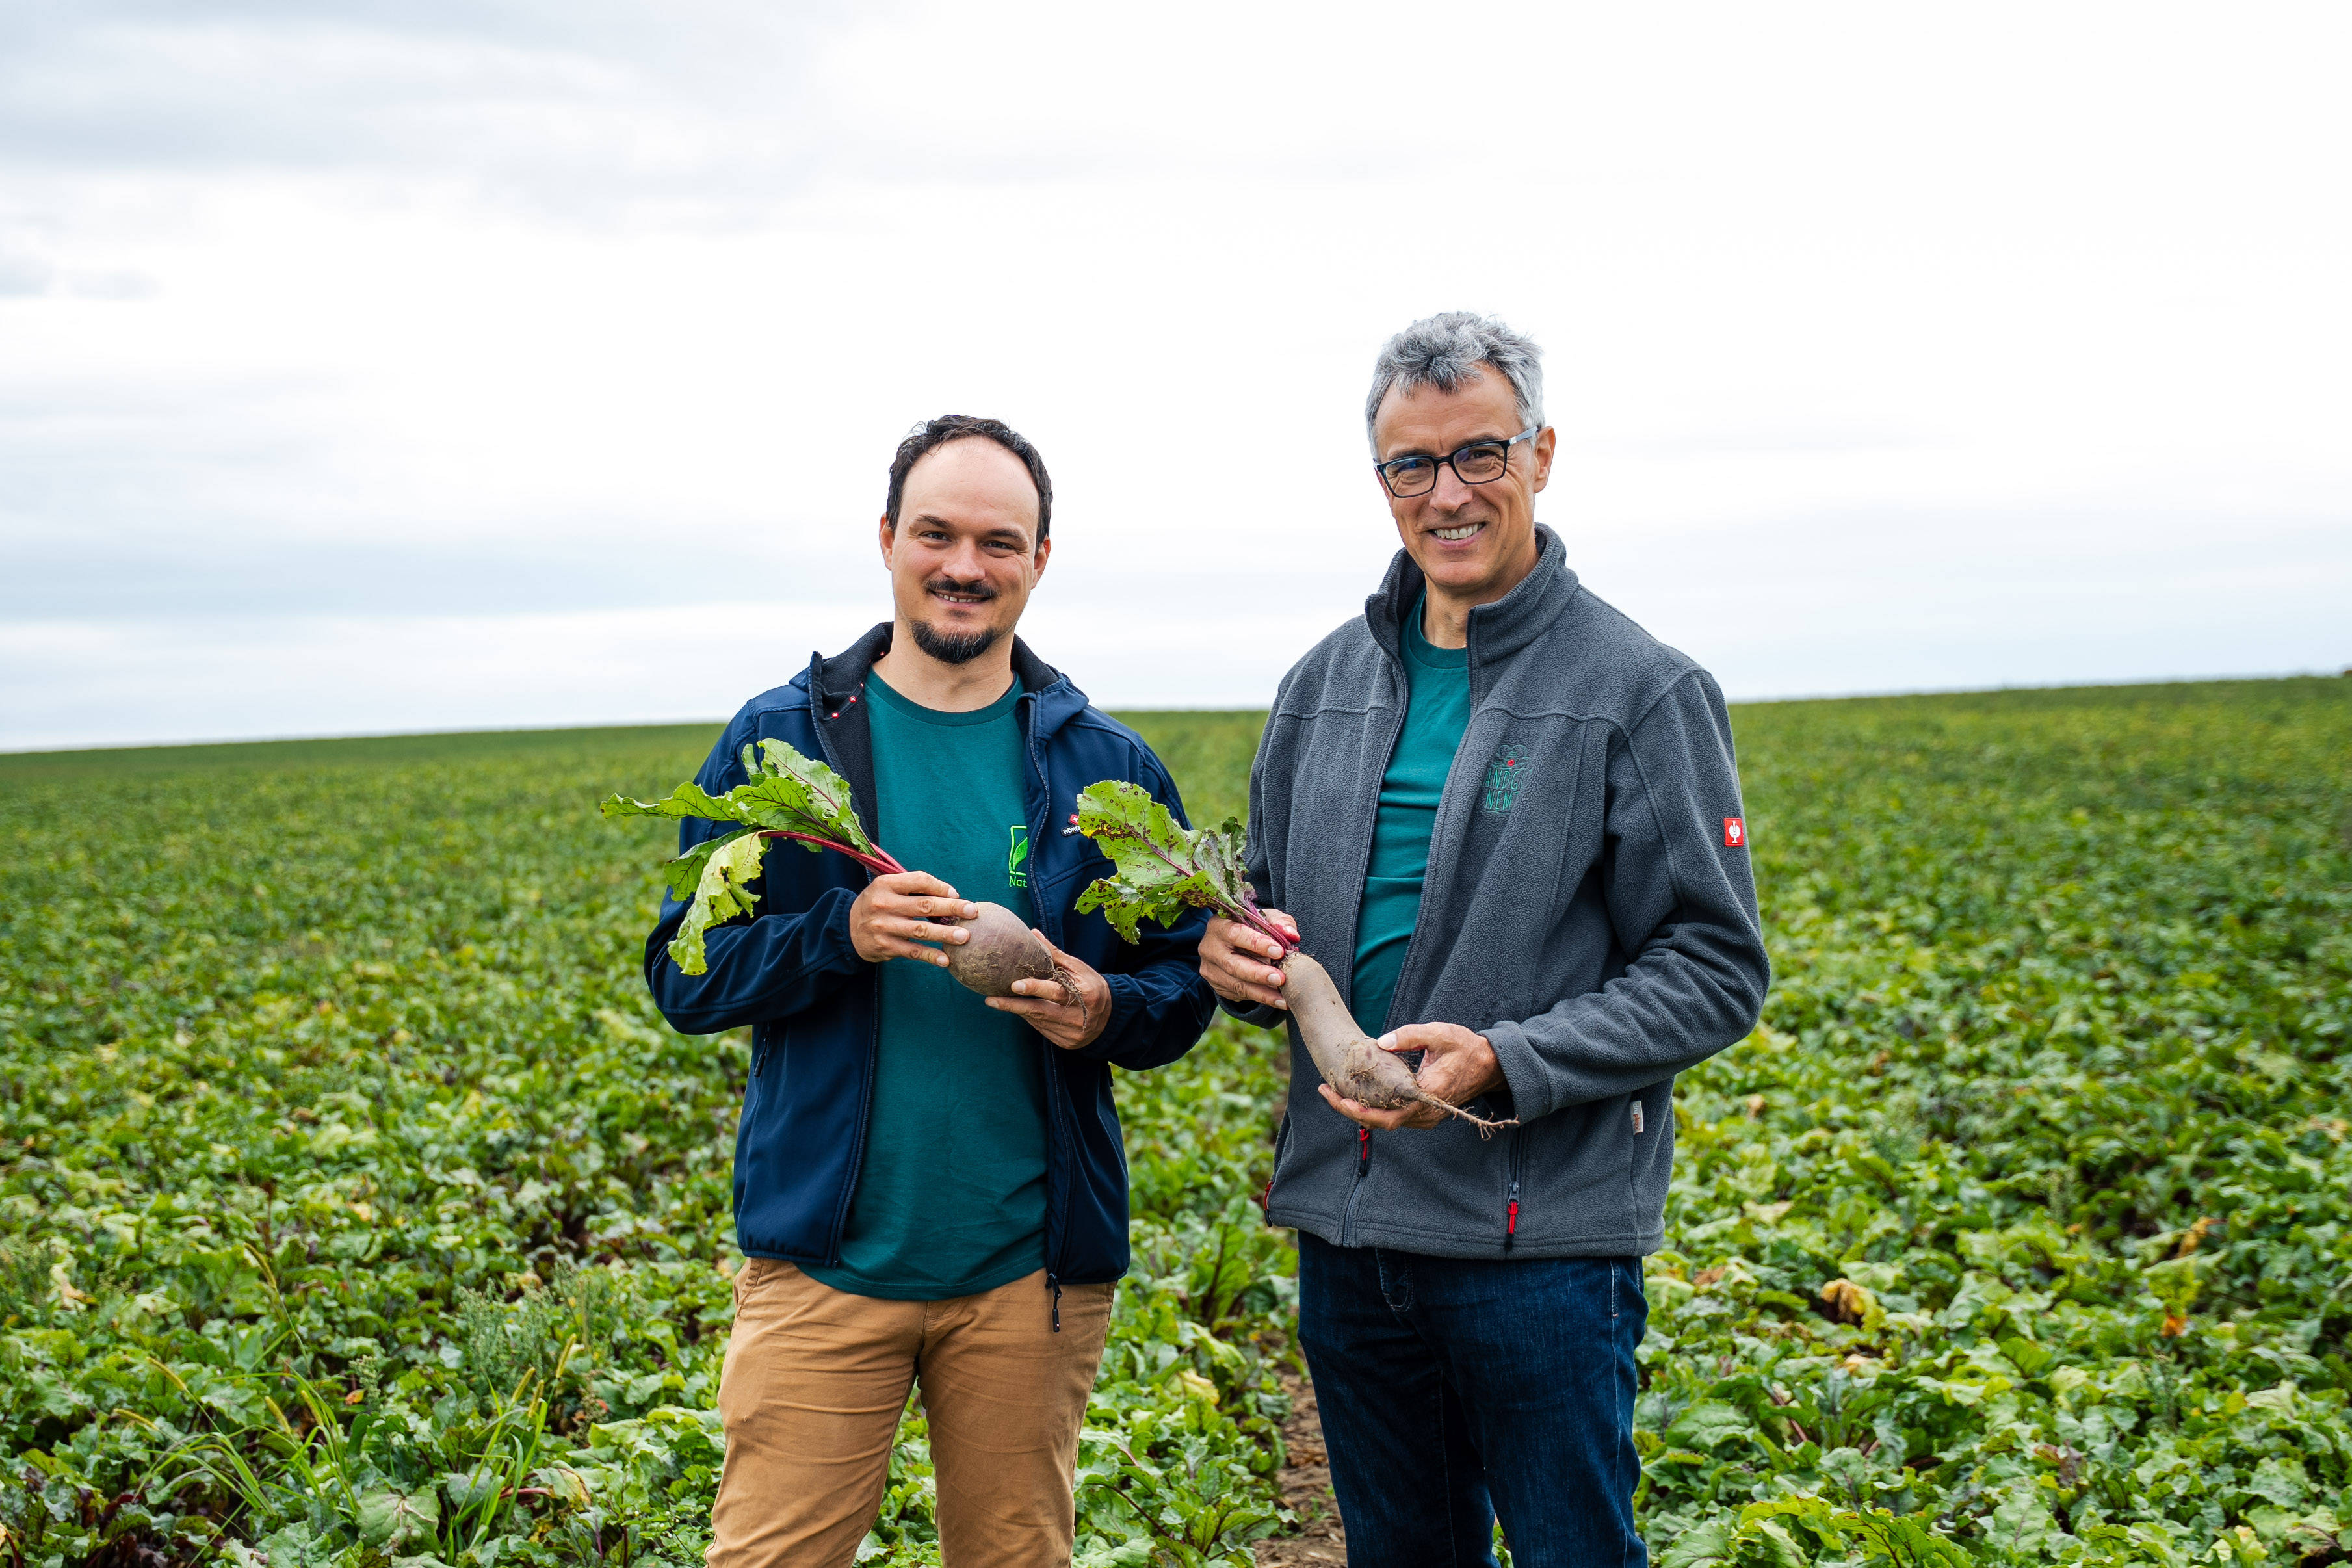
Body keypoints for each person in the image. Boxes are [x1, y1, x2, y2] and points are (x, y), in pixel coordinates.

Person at [1199, 313, 1770, 1565]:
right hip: (1352, 1240)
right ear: (1382, 480)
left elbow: (1715, 965)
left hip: (1536, 1246)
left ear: (1543, 455)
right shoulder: (1321, 685)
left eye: (1479, 454)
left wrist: (1505, 1059)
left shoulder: (1636, 687)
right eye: (1412, 464)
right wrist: (1241, 966)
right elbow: (1276, 917)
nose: (1446, 493)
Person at [645, 415, 1216, 1568]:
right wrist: (836, 933)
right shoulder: (775, 742)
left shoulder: (1103, 768)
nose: (965, 566)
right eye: (938, 534)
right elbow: (686, 976)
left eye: (999, 542)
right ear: (888, 540)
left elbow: (1182, 989)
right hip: (824, 1268)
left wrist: (1104, 1009)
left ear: (1040, 559)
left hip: (1027, 1276)